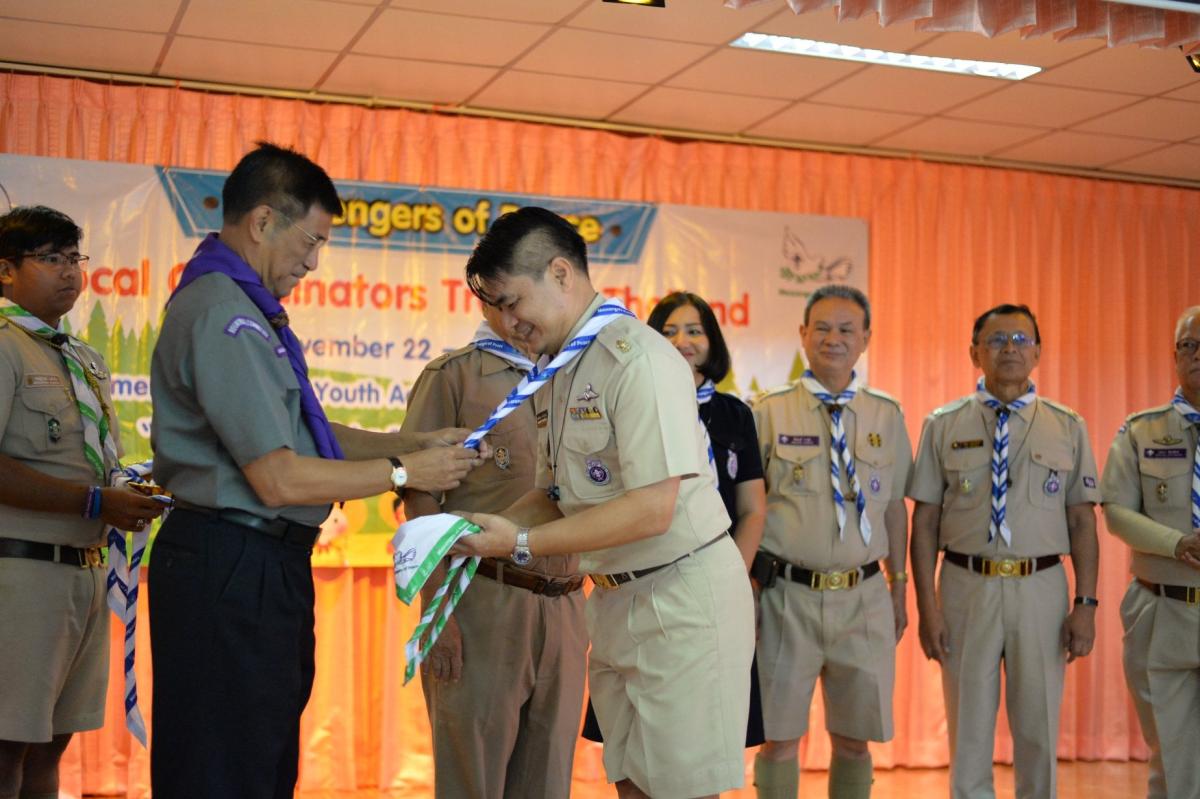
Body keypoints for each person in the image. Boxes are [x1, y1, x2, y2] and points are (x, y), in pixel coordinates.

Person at [148, 142, 485, 799]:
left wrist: (413, 440)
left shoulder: (246, 307)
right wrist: (406, 469)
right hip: (230, 560)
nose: (313, 261)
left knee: (260, 755)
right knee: (224, 767)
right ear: (264, 220)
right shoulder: (225, 313)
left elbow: (311, 435)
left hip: (254, 565)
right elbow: (281, 477)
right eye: (312, 241)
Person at [453, 206, 754, 799]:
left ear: (562, 274)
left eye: (513, 302)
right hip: (617, 599)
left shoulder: (637, 358)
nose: (507, 322)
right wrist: (484, 527)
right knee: (633, 786)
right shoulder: (561, 367)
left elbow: (652, 508)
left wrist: (517, 542)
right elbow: (557, 494)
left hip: (683, 597)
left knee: (681, 791)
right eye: (496, 308)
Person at [0, 206, 166, 799]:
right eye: (50, 259)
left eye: (75, 258)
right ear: (6, 271)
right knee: (6, 747)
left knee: (51, 746)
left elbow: (92, 462)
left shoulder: (80, 356)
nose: (69, 273)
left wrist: (124, 492)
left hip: (86, 574)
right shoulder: (7, 347)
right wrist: (97, 501)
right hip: (20, 573)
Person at [909, 303, 1100, 799]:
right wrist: (927, 607)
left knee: (1037, 728)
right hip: (964, 586)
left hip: (1041, 589)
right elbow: (924, 519)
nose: (1009, 349)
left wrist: (1086, 604)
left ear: (1037, 351)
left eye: (1020, 339)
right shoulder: (943, 424)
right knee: (968, 729)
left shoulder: (1068, 425)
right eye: (995, 340)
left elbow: (1082, 520)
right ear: (974, 352)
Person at [402, 303, 587, 799]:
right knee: (473, 780)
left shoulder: (576, 374)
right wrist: (437, 611)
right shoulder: (454, 376)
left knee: (548, 782)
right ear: (489, 298)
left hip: (565, 600)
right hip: (482, 598)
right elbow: (419, 498)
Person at [581, 290, 767, 747]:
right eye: (668, 331)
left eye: (694, 330)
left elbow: (752, 509)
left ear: (713, 341)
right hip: (644, 586)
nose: (682, 341)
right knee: (639, 742)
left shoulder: (734, 415)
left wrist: (727, 578)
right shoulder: (631, 400)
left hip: (713, 587)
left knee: (704, 743)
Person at [750, 284, 912, 799]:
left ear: (866, 338)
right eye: (821, 327)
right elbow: (746, 508)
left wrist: (900, 585)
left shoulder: (887, 414)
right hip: (784, 596)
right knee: (777, 739)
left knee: (854, 740)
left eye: (846, 329)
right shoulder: (769, 412)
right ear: (802, 335)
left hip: (864, 598)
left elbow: (894, 510)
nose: (833, 338)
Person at [1100, 305, 1200, 799]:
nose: (1199, 354)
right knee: (1172, 761)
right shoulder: (1140, 431)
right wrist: (1176, 544)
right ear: (1175, 356)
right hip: (1163, 609)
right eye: (1190, 345)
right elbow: (1115, 511)